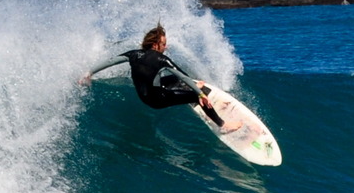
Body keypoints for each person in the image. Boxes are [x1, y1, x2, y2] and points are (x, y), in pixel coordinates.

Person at [80, 24, 241, 133]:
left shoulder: (133, 54)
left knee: (171, 79)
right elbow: (183, 75)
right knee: (195, 94)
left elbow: (109, 62)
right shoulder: (162, 60)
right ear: (156, 45)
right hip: (157, 100)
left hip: (144, 96)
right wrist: (200, 93)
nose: (166, 47)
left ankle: (192, 87)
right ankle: (222, 125)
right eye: (164, 44)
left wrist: (89, 73)